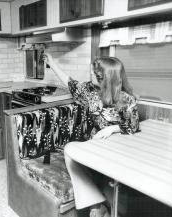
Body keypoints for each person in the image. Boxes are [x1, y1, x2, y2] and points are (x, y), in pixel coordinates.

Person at [43, 53, 139, 217]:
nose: (90, 75)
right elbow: (70, 82)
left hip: (118, 148)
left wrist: (112, 128)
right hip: (95, 144)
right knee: (69, 151)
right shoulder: (89, 91)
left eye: (93, 74)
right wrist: (52, 63)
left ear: (105, 78)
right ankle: (97, 205)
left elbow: (133, 126)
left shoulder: (126, 99)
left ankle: (100, 208)